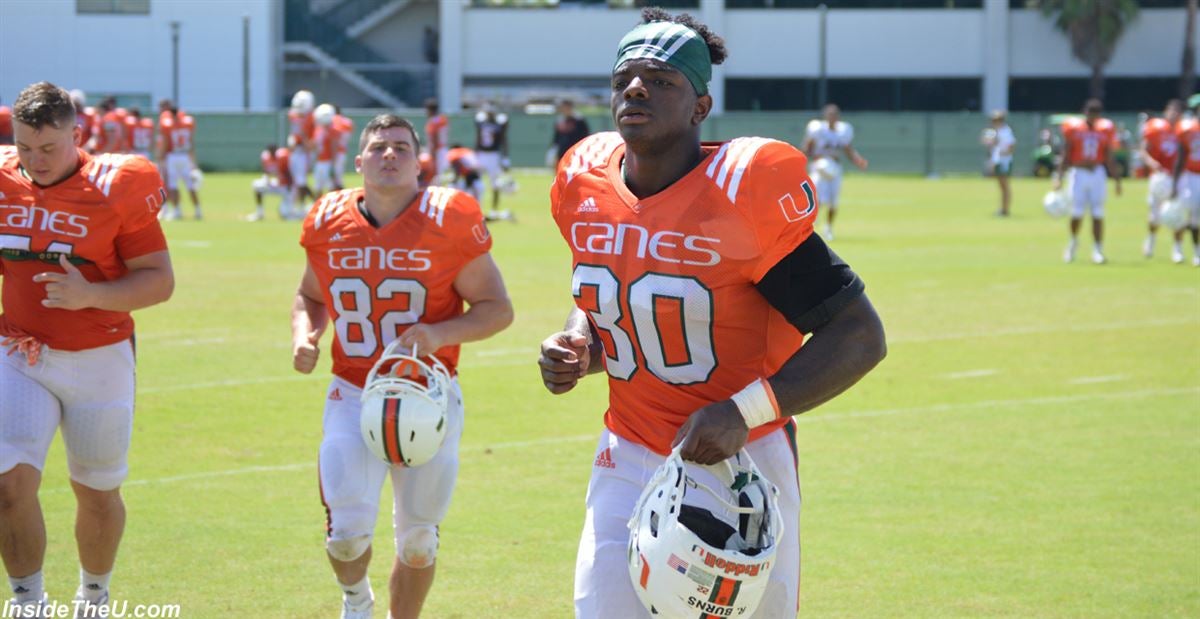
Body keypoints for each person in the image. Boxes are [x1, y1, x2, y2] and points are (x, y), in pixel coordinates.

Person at [537, 10, 886, 618]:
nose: (636, 89)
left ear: (700, 107)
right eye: (625, 79)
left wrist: (741, 412)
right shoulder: (583, 183)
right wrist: (580, 345)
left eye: (660, 79)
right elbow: (612, 299)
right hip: (627, 449)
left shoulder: (741, 194)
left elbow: (859, 335)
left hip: (741, 462)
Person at [291, 114, 513, 619]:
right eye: (377, 147)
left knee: (418, 540)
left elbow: (497, 308)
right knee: (346, 537)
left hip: (427, 394)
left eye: (400, 147)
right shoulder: (327, 219)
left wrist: (439, 334)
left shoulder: (450, 216)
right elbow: (308, 295)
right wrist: (306, 334)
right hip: (353, 393)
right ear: (358, 162)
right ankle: (356, 601)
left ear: (419, 162)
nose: (388, 155)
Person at [0, 81, 174, 618]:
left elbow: (159, 280)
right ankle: (28, 602)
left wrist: (91, 295)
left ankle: (93, 598)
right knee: (8, 484)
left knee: (96, 492)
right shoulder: (5, 179)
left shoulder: (118, 184)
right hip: (20, 352)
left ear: (77, 135)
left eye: (49, 148)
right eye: (25, 148)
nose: (36, 160)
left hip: (99, 355)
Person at [1055, 98, 1121, 264]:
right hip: (1079, 172)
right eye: (1090, 113)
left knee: (1098, 212)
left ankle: (1097, 249)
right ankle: (1072, 244)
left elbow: (1109, 156)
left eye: (1095, 114)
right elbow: (1066, 153)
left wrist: (1117, 180)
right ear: (1085, 112)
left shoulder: (1105, 130)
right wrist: (1059, 176)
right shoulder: (1074, 129)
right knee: (1076, 212)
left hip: (1097, 173)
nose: (1092, 117)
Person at [802, 103, 868, 240]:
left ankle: (828, 228)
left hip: (835, 168)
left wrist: (858, 160)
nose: (832, 117)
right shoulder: (818, 129)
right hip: (819, 168)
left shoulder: (843, 131)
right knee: (816, 198)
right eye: (830, 114)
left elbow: (848, 149)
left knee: (833, 201)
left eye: (835, 115)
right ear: (826, 116)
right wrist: (810, 158)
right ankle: (810, 227)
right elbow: (807, 148)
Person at [1140, 99, 1182, 260]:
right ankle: (1150, 241)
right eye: (1172, 111)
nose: (1174, 115)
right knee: (1154, 215)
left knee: (1177, 212)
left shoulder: (1184, 130)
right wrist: (1152, 163)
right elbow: (1143, 150)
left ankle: (1177, 249)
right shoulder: (1155, 128)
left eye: (1177, 112)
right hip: (1159, 176)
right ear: (1166, 111)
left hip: (1177, 176)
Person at [157, 105, 202, 221]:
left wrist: (160, 156)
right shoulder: (187, 123)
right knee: (190, 185)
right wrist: (193, 160)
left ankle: (177, 211)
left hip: (173, 156)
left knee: (173, 185)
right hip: (185, 156)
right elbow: (191, 142)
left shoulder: (168, 124)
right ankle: (198, 210)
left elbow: (166, 142)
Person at [1170, 94, 1200, 267]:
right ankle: (1178, 248)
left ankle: (1197, 252)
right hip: (1190, 176)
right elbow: (1180, 158)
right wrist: (1175, 184)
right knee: (1182, 214)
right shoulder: (1187, 128)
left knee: (1197, 218)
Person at [473, 101, 510, 218]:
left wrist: (505, 157)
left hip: (493, 155)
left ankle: (494, 210)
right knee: (476, 182)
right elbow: (478, 138)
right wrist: (475, 153)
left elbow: (504, 140)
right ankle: (476, 209)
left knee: (495, 184)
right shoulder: (481, 121)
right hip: (481, 154)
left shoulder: (500, 122)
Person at [247, 144, 297, 221]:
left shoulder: (282, 157)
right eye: (271, 151)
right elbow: (266, 171)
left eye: (273, 151)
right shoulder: (265, 157)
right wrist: (267, 181)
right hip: (278, 184)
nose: (272, 153)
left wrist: (289, 187)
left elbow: (288, 173)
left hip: (287, 187)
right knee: (257, 186)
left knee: (286, 215)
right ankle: (259, 213)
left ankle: (301, 212)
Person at [983, 110, 1016, 217]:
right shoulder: (997, 131)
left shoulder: (1005, 131)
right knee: (1002, 186)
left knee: (1004, 186)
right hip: (999, 161)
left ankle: (1005, 210)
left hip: (1004, 161)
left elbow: (1010, 148)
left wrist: (1000, 153)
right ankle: (1003, 209)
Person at [550, 99, 591, 165]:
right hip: (562, 151)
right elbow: (556, 137)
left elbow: (585, 135)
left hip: (576, 151)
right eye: (563, 107)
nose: (565, 109)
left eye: (566, 107)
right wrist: (553, 149)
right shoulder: (559, 120)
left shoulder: (579, 120)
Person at [424, 99, 449, 180]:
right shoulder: (442, 119)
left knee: (436, 175)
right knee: (442, 174)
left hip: (437, 150)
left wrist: (433, 153)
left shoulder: (433, 121)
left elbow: (435, 137)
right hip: (443, 148)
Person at [332, 106, 354, 191]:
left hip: (335, 151)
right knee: (337, 176)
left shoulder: (335, 120)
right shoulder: (347, 122)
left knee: (335, 179)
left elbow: (335, 136)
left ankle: (341, 194)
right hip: (343, 151)